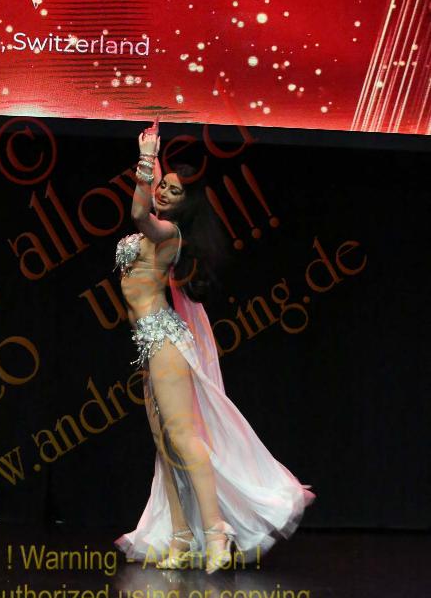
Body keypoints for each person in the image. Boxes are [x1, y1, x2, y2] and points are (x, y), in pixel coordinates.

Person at [113, 120, 316, 574]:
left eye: (175, 191)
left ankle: (217, 530)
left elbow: (139, 213)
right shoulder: (157, 227)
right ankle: (182, 537)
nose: (165, 193)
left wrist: (146, 159)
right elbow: (151, 201)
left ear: (186, 206)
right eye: (164, 186)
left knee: (184, 438)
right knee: (164, 444)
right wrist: (157, 158)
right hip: (149, 344)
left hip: (164, 340)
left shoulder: (169, 235)